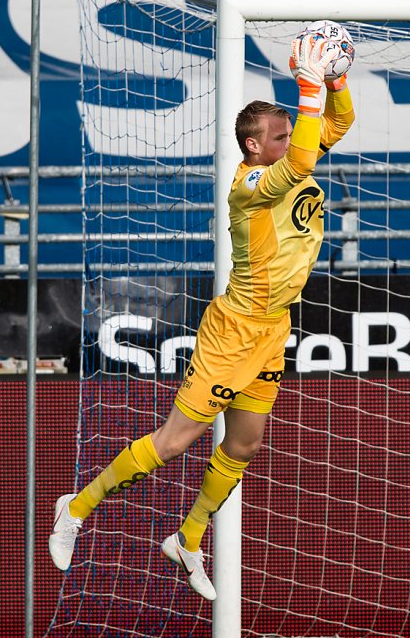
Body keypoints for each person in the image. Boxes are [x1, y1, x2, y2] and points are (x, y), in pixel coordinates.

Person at [48, 31, 356, 600]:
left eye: (291, 133)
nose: (291, 143)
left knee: (243, 445)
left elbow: (338, 123)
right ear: (252, 147)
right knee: (175, 442)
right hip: (233, 330)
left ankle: (188, 538)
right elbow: (309, 151)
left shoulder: (288, 157)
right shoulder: (252, 188)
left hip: (273, 329)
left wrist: (335, 82)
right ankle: (77, 507)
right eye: (280, 137)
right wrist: (310, 87)